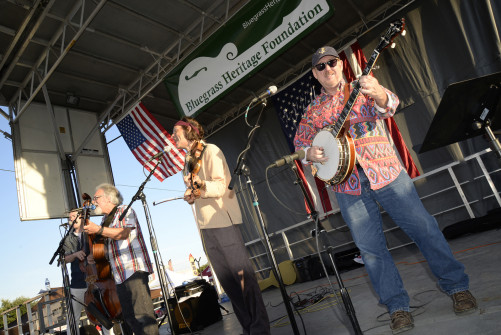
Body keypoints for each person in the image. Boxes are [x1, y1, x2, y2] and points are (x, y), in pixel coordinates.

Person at [293, 46, 477, 334]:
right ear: (315, 75)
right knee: (371, 251)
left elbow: (390, 105)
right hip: (348, 185)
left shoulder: (362, 85)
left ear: (341, 65)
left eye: (332, 63)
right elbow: (300, 147)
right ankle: (397, 308)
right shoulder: (312, 111)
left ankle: (457, 287)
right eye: (321, 67)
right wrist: (310, 154)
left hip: (387, 173)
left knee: (424, 229)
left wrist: (377, 92)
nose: (328, 69)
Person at [172, 117, 271, 335]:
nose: (172, 136)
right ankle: (248, 329)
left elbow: (221, 186)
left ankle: (260, 330)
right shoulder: (188, 159)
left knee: (243, 279)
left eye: (175, 132)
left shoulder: (210, 150)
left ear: (189, 131)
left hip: (222, 221)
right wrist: (192, 194)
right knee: (229, 283)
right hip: (206, 227)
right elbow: (200, 190)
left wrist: (200, 185)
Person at [83, 184, 158, 335]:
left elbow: (123, 234)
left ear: (108, 198)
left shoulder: (125, 210)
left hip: (133, 270)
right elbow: (110, 246)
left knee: (143, 316)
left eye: (97, 198)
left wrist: (98, 230)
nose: (95, 201)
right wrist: (95, 255)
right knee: (130, 317)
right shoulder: (105, 219)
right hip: (118, 276)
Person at [63, 210, 115, 335]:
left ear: (81, 217)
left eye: (74, 217)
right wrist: (75, 254)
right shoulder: (68, 238)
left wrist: (94, 255)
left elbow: (104, 249)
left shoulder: (93, 232)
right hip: (77, 283)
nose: (71, 220)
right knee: (73, 318)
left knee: (104, 315)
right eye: (70, 218)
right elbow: (64, 259)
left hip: (97, 281)